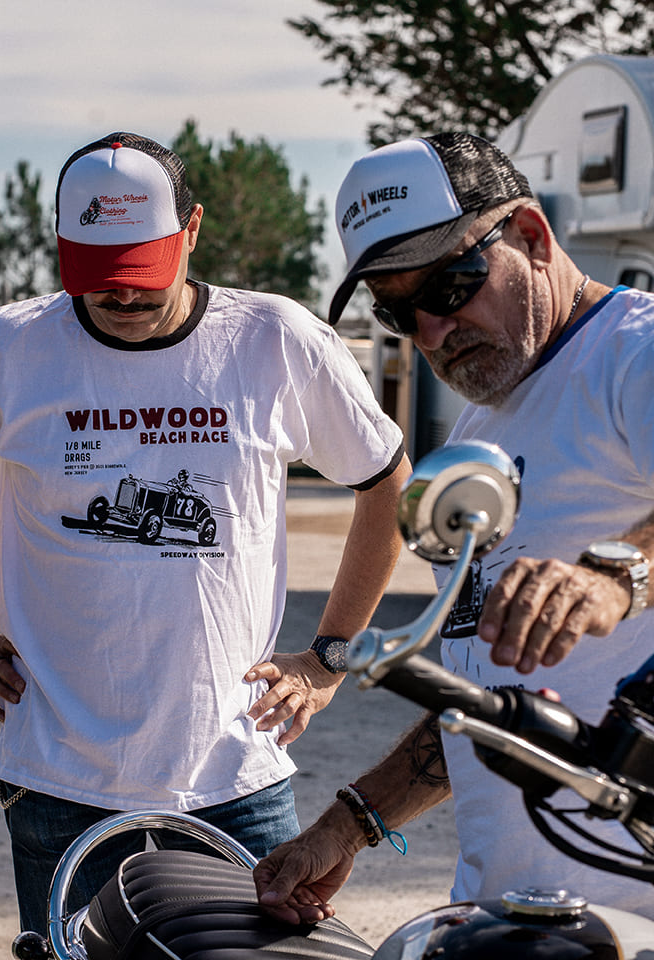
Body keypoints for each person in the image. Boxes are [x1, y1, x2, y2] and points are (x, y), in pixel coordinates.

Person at [0, 131, 410, 932]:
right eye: (98, 273)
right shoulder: (3, 349)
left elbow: (387, 482)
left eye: (141, 272)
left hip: (234, 771)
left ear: (191, 230)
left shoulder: (275, 341)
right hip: (58, 779)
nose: (121, 295)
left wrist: (330, 655)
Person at [253, 132, 654, 922]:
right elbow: (491, 705)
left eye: (449, 286)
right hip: (507, 917)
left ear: (532, 236)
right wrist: (347, 825)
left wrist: (616, 576)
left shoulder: (631, 354)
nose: (431, 333)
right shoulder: (476, 436)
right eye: (398, 311)